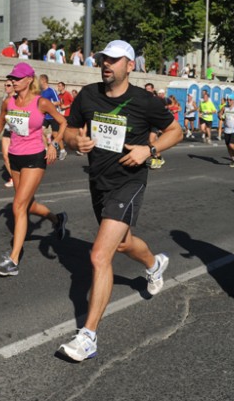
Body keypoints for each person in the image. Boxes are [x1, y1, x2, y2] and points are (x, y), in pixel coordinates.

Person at [57, 40, 183, 362]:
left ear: (129, 65)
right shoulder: (88, 95)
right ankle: (154, 264)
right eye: (104, 59)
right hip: (99, 181)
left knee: (100, 255)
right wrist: (75, 142)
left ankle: (88, 337)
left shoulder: (144, 101)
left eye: (114, 60)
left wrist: (149, 150)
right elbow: (69, 131)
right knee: (124, 243)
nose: (106, 64)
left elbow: (175, 130)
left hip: (129, 181)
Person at [0, 62, 68, 276]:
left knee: (19, 205)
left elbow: (62, 122)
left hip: (34, 157)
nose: (13, 81)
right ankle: (57, 219)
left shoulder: (41, 102)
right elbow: (0, 122)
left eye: (17, 78)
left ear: (29, 79)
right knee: (27, 204)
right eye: (12, 78)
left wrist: (54, 144)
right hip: (15, 157)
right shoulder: (9, 102)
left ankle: (13, 260)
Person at [39, 75, 65, 159]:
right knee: (39, 131)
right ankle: (46, 150)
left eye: (40, 80)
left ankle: (62, 151)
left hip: (53, 116)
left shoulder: (51, 90)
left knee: (55, 134)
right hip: (45, 116)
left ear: (44, 81)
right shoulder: (41, 92)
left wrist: (48, 105)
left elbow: (58, 102)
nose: (39, 82)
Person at [0, 80, 16, 187]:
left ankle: (20, 177)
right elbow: (2, 116)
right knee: (5, 156)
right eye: (5, 85)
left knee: (17, 156)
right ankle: (14, 178)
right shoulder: (5, 99)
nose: (6, 87)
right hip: (7, 129)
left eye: (8, 85)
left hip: (18, 131)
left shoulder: (19, 98)